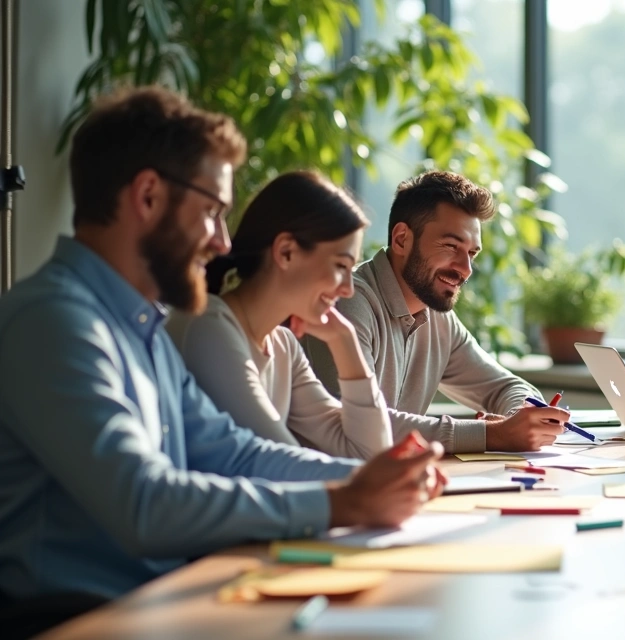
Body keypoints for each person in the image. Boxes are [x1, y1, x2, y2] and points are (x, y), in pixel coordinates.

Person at [0, 87, 445, 637]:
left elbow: (234, 453)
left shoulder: (145, 330)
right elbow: (144, 502)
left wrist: (372, 479)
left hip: (163, 603)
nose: (222, 241)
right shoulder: (53, 322)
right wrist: (343, 501)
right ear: (148, 197)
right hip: (80, 620)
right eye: (212, 211)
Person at [304, 171, 568, 453]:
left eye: (472, 253)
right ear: (402, 239)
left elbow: (506, 387)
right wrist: (491, 434)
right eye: (451, 246)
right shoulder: (346, 302)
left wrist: (522, 416)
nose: (465, 269)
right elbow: (356, 424)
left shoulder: (438, 318)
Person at [166, 171, 395, 459]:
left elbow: (369, 454)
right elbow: (278, 462)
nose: (348, 290)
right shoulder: (208, 328)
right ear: (286, 252)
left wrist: (344, 341)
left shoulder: (283, 345)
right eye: (340, 266)